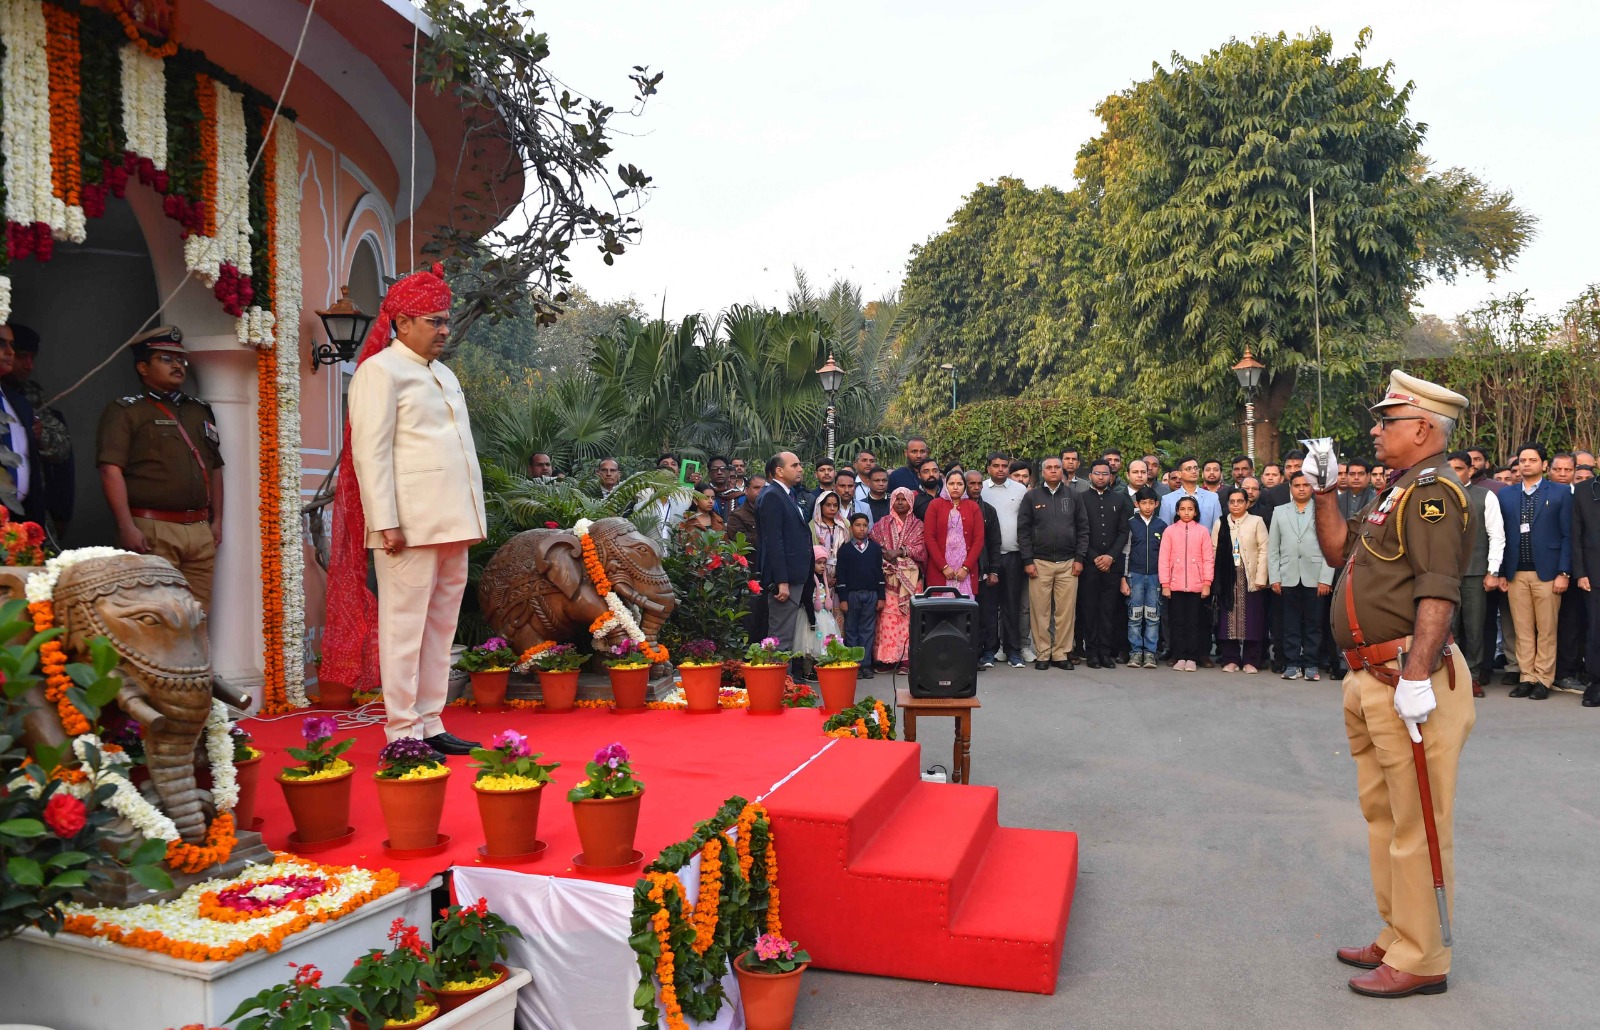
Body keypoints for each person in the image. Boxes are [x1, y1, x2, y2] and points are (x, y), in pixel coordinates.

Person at [1312, 369, 1475, 999]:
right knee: (1384, 816)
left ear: (1424, 429)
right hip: (1370, 676)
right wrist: (1325, 492)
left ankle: (1424, 956)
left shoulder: (1434, 493)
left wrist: (1416, 675)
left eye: (1387, 421)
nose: (1376, 431)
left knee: (1417, 823)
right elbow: (1338, 553)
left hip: (1407, 675)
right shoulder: (1396, 493)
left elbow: (1439, 589)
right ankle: (1398, 932)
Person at [340, 265, 483, 754]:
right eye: (434, 321)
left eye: (446, 321)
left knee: (440, 629)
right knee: (404, 630)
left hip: (453, 522)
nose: (444, 330)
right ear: (402, 322)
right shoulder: (380, 371)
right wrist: (385, 521)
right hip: (407, 527)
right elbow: (371, 453)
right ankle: (402, 730)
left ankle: (431, 720)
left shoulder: (443, 373)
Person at [95, 326, 224, 609]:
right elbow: (110, 470)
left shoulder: (198, 410)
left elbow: (215, 467)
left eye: (180, 359)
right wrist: (126, 526)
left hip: (200, 528)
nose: (177, 365)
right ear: (143, 367)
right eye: (165, 359)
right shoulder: (127, 410)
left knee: (197, 615)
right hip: (153, 527)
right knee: (157, 614)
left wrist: (217, 521)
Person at [1497, 443, 1572, 700]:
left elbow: (1568, 535)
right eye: (1523, 460)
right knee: (1523, 629)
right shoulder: (1506, 495)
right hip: (1515, 572)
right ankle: (1526, 677)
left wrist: (1564, 572)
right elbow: (1500, 536)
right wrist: (1500, 572)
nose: (1526, 464)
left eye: (1532, 460)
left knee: (1547, 630)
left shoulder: (1561, 493)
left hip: (1549, 573)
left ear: (1544, 464)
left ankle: (1543, 679)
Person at [1018, 456, 1089, 671]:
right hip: (1040, 563)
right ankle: (1043, 653)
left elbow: (1083, 528)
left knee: (1065, 612)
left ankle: (1060, 653)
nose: (1053, 471)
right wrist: (1028, 560)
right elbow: (1023, 530)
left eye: (1057, 467)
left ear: (1062, 470)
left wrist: (1079, 558)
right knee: (1040, 611)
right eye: (1048, 468)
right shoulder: (1032, 497)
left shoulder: (1074, 496)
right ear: (1042, 472)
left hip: (1068, 563)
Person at [3, 322, 73, 538]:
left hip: (27, 512)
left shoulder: (28, 395)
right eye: (22, 357)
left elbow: (62, 447)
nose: (28, 366)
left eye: (32, 358)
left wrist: (39, 434)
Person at [1446, 451, 1504, 698]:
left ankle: (1473, 675)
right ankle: (1449, 675)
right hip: (1444, 573)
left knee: (1474, 627)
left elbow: (1496, 535)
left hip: (1475, 573)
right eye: (1449, 468)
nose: (1453, 473)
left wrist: (1492, 571)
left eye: (1459, 468)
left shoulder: (1484, 496)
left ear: (1471, 470)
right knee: (1447, 626)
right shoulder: (1436, 496)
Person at [1269, 472, 1333, 680]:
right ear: (1291, 488)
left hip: (1315, 576)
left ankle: (1311, 664)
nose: (1302, 489)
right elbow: (1273, 548)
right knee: (1290, 623)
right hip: (1288, 575)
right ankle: (1292, 664)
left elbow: (1329, 546)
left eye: (1306, 485)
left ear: (1312, 487)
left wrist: (1325, 578)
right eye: (1297, 485)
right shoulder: (1280, 511)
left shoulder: (1322, 510)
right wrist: (1275, 577)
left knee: (1314, 624)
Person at [1079, 459, 1133, 668]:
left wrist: (1111, 556)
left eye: (1105, 473)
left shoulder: (1120, 499)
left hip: (1113, 564)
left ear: (1110, 476)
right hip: (1089, 564)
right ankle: (1092, 653)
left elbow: (1123, 531)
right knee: (1090, 610)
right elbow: (1080, 531)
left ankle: (1105, 652)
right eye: (1097, 473)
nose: (1101, 477)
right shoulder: (1081, 499)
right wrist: (1094, 557)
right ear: (1090, 476)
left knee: (1109, 610)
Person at [1212, 486, 1269, 673]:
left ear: (1247, 503)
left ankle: (1251, 661)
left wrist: (1261, 577)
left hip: (1250, 576)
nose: (1236, 505)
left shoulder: (1256, 521)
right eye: (1232, 502)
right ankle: (1231, 659)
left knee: (1252, 619)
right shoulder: (1221, 523)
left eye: (1240, 501)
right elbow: (1214, 550)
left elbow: (1264, 549)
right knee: (1227, 620)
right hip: (1227, 577)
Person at [870, 487, 927, 669]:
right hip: (888, 579)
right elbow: (874, 544)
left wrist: (901, 552)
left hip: (911, 581)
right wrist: (886, 554)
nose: (900, 502)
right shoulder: (882, 523)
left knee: (908, 619)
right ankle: (888, 658)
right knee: (888, 619)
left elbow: (922, 550)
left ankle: (906, 659)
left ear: (910, 502)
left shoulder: (918, 525)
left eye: (904, 499)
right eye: (897, 499)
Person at [982, 453, 1028, 668]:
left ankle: (1013, 651)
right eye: (996, 466)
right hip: (988, 558)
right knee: (989, 607)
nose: (1000, 469)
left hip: (1012, 554)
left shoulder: (1019, 490)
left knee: (1012, 605)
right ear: (988, 468)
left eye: (1004, 465)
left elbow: (1026, 522)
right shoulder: (980, 488)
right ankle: (989, 650)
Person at [1159, 495, 1213, 671]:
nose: (1186, 512)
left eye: (1190, 509)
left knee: (1194, 622)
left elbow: (1208, 559)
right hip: (1175, 585)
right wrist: (1165, 584)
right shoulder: (1170, 531)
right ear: (1177, 511)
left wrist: (1206, 583)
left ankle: (1192, 657)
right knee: (1177, 622)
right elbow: (1164, 559)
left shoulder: (1203, 531)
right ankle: (1179, 655)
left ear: (1196, 512)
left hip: (1197, 586)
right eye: (1182, 509)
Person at [835, 512, 885, 679]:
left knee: (867, 630)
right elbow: (841, 575)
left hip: (871, 594)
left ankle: (865, 665)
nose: (862, 529)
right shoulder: (845, 550)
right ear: (851, 528)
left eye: (865, 525)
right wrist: (843, 599)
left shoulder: (875, 549)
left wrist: (881, 596)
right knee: (851, 630)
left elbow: (879, 573)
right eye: (858, 525)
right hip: (852, 595)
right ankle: (854, 664)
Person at [1122, 487, 1165, 669]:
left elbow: (1165, 555)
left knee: (1153, 616)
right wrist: (1124, 577)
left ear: (1156, 504)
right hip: (1135, 575)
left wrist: (1165, 579)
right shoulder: (1130, 524)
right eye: (1143, 503)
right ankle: (1135, 652)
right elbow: (1126, 552)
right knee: (1135, 615)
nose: (1147, 507)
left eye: (1151, 503)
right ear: (1136, 504)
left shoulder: (1161, 525)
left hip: (1155, 576)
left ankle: (1150, 653)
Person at [964, 468, 1003, 667]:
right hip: (962, 573)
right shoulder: (957, 509)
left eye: (979, 483)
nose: (976, 487)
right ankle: (968, 652)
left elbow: (995, 543)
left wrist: (994, 570)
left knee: (988, 613)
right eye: (972, 483)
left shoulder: (988, 510)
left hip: (984, 570)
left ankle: (989, 652)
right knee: (967, 614)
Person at [0, 326, 39, 524]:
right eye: (1, 344)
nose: (10, 352)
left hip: (18, 522)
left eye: (12, 345)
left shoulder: (19, 402)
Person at [924, 467, 983, 597]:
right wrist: (944, 566)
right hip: (940, 567)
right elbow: (929, 537)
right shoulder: (935, 505)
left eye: (959, 484)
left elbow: (979, 540)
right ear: (945, 485)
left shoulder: (973, 507)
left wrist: (966, 567)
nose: (955, 487)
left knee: (964, 606)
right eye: (951, 483)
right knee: (941, 606)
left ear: (964, 486)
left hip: (965, 569)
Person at [1571, 468, 1600, 706]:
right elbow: (1576, 535)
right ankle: (1596, 682)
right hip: (1594, 573)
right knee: (1595, 630)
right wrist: (1580, 572)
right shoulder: (1583, 491)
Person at [728, 475, 766, 640]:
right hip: (749, 574)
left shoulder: (771, 512)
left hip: (769, 574)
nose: (760, 492)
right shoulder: (738, 516)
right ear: (746, 490)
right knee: (750, 619)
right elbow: (744, 542)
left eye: (764, 488)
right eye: (756, 488)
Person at [1159, 455, 1222, 530]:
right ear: (1179, 474)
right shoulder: (1167, 500)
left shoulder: (1213, 497)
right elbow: (1165, 529)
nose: (1194, 471)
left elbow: (1218, 528)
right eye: (1188, 469)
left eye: (1196, 468)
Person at [809, 491, 850, 568]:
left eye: (835, 505)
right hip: (819, 570)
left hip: (842, 568)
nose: (832, 509)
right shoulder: (812, 526)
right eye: (828, 505)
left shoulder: (845, 524)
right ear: (820, 506)